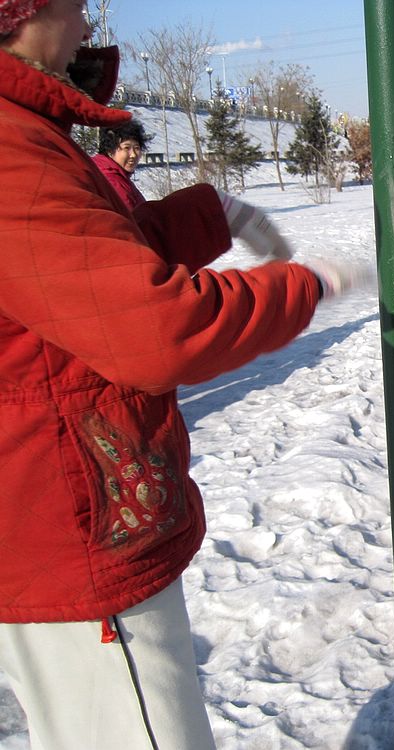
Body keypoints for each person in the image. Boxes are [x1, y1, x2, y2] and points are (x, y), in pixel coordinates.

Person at [0, 2, 359, 748]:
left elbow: (76, 264)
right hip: (67, 524)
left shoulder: (24, 131)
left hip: (51, 506)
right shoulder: (9, 146)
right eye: (71, 2)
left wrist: (210, 214)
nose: (87, 15)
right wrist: (308, 285)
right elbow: (157, 328)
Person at [93, 119, 150, 210]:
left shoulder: (118, 176)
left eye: (137, 148)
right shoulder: (112, 181)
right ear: (110, 150)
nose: (133, 154)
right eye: (126, 148)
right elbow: (131, 219)